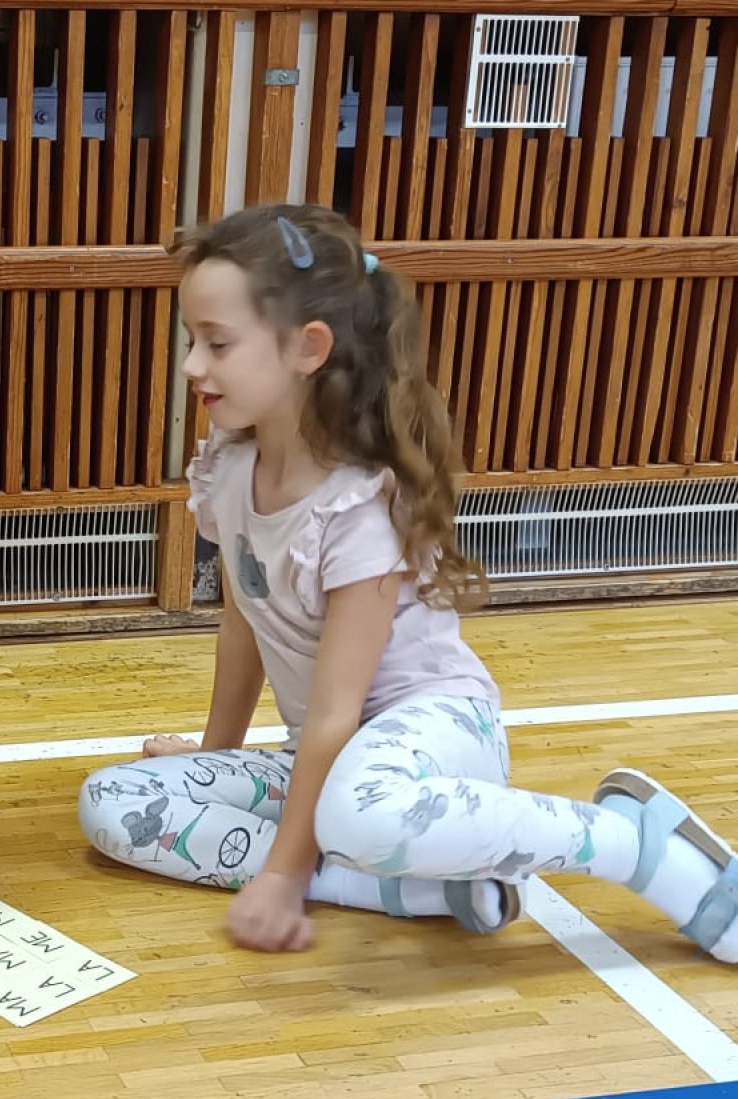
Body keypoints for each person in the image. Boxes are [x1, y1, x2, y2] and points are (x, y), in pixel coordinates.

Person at [78, 204, 738, 961]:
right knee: (114, 803)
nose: (193, 365)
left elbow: (337, 713)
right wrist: (209, 759)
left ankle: (631, 840)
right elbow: (243, 629)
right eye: (191, 340)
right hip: (328, 759)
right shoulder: (228, 469)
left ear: (308, 347)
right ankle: (420, 893)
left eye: (217, 343)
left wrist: (284, 876)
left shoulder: (356, 508)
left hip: (435, 741)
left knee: (358, 817)